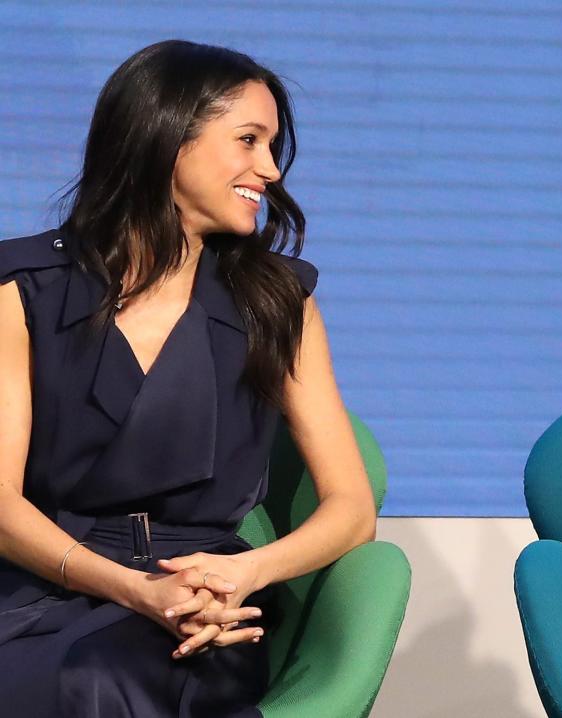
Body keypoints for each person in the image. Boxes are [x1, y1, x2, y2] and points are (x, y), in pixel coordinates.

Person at [0, 40, 376, 716]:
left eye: (272, 147)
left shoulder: (280, 301)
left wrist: (244, 572)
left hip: (207, 599)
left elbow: (351, 508)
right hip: (38, 583)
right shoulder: (22, 290)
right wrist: (130, 588)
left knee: (98, 681)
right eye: (249, 141)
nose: (269, 169)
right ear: (167, 137)